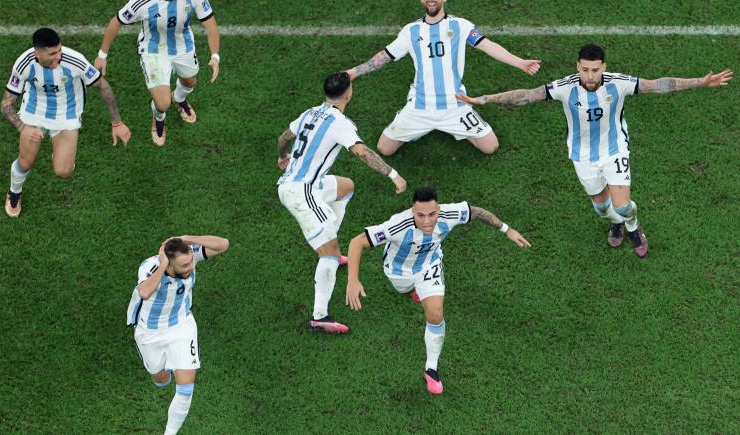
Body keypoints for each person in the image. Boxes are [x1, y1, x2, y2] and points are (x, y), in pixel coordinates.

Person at [457, 43, 733, 258]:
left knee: (623, 206)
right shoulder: (564, 88)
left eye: (595, 70)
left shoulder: (618, 82)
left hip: (614, 151)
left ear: (603, 67)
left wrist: (700, 81)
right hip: (582, 157)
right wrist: (484, 99)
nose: (590, 76)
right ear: (578, 66)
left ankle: (634, 227)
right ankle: (616, 223)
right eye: (585, 69)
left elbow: (657, 85)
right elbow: (528, 95)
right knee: (603, 209)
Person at [345, 186, 531, 394]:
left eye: (432, 214)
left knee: (435, 314)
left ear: (439, 209)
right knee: (404, 291)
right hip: (398, 272)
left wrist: (507, 230)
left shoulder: (450, 214)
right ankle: (412, 293)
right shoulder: (397, 225)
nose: (427, 221)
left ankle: (431, 368)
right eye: (420, 215)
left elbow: (477, 212)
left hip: (429, 265)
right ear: (412, 211)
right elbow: (357, 242)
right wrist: (353, 280)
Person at [278, 72, 408, 334]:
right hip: (302, 192)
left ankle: (329, 243)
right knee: (328, 253)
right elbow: (361, 152)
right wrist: (394, 175)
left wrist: (283, 157)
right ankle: (319, 316)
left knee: (346, 187)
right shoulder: (340, 122)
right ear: (348, 93)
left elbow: (283, 137)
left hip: (300, 183)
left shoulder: (309, 112)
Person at [345, 0, 540, 156]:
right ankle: (420, 125)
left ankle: (453, 128)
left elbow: (487, 45)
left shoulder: (461, 25)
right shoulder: (410, 30)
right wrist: (354, 72)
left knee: (490, 146)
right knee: (384, 149)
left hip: (454, 105)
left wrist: (519, 62)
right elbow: (385, 56)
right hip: (420, 106)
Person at [1, 27, 131, 218]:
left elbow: (102, 85)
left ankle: (60, 148)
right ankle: (14, 192)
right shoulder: (24, 63)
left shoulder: (74, 60)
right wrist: (22, 127)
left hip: (67, 113)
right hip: (34, 110)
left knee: (63, 171)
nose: (58, 57)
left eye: (59, 50)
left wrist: (117, 123)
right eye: (52, 53)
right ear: (37, 54)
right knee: (26, 162)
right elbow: (6, 104)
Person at [127, 235, 229, 435]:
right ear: (169, 264)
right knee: (161, 379)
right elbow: (144, 292)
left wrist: (187, 239)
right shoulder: (150, 266)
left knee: (186, 388)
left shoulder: (189, 257)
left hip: (181, 325)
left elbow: (223, 244)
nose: (190, 267)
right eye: (184, 265)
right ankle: (165, 372)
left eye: (191, 260)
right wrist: (162, 266)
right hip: (150, 333)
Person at [94, 0, 221, 146]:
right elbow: (116, 22)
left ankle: (179, 98)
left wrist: (215, 56)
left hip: (183, 46)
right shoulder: (141, 2)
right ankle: (159, 119)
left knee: (190, 82)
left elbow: (211, 25)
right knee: (162, 104)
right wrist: (102, 55)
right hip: (153, 51)